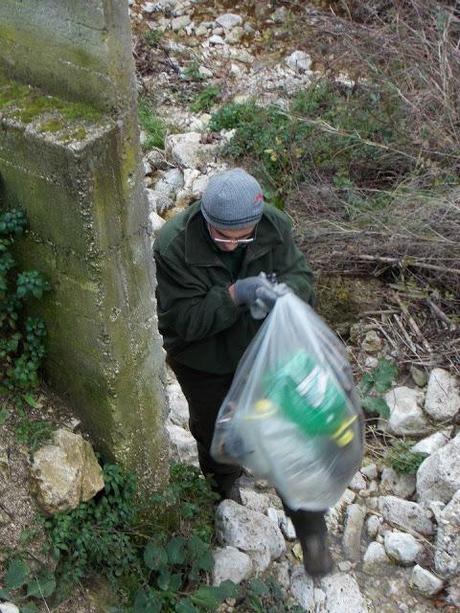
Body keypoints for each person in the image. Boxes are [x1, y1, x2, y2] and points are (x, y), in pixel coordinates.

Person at [153, 167, 333, 576]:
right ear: (205, 218)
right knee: (218, 431)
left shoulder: (273, 225)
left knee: (290, 438)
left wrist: (285, 294)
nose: (233, 246)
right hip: (205, 361)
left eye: (242, 237)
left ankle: (312, 535)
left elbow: (302, 277)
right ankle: (223, 491)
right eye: (222, 237)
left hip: (267, 352)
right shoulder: (173, 245)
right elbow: (182, 321)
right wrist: (234, 295)